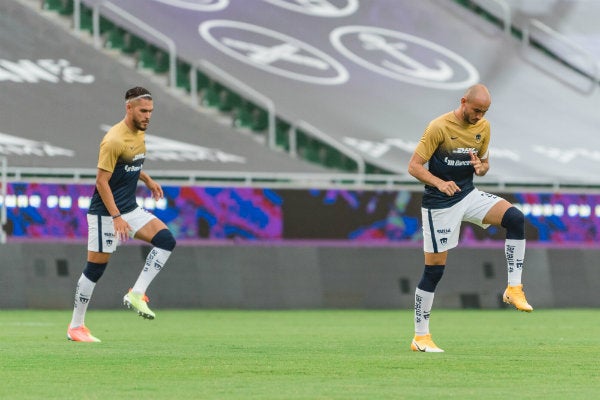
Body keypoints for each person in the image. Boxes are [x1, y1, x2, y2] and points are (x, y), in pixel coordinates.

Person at [407, 84, 532, 353]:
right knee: (434, 271)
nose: (479, 116)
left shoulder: (483, 127)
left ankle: (514, 288)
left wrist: (481, 167)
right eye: (476, 110)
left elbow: (484, 165)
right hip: (439, 205)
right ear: (463, 101)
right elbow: (414, 166)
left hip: (468, 195)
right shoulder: (438, 127)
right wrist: (440, 183)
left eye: (484, 112)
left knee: (515, 218)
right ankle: (420, 337)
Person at [67, 86, 176, 342]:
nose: (148, 116)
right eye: (143, 111)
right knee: (95, 269)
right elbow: (101, 182)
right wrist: (116, 217)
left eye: (150, 111)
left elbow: (130, 165)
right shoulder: (114, 139)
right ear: (129, 108)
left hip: (129, 208)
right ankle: (75, 327)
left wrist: (147, 180)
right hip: (105, 212)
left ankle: (137, 293)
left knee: (166, 240)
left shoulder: (139, 134)